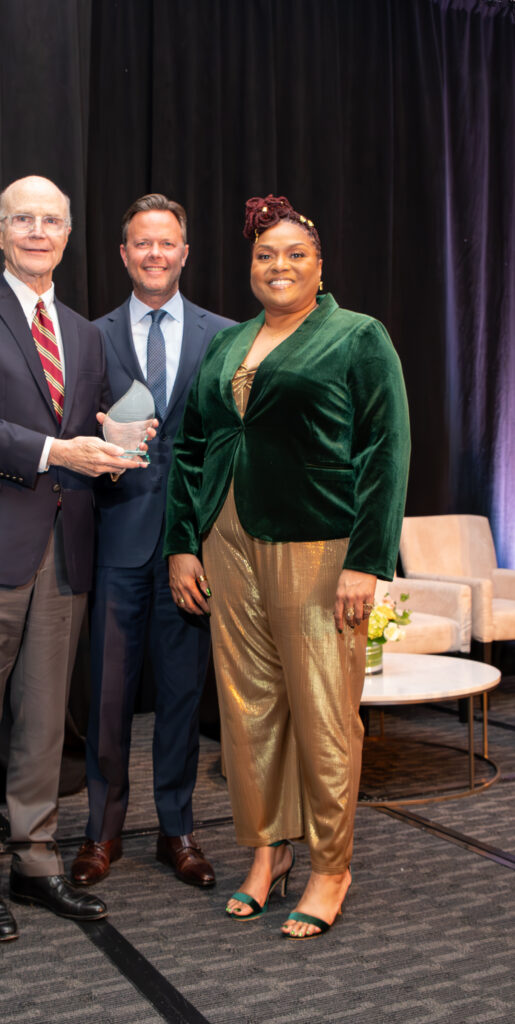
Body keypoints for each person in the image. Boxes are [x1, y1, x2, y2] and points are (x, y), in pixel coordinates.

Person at [164, 194, 410, 938]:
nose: (278, 266)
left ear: (319, 265)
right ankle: (267, 854)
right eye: (264, 255)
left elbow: (384, 451)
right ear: (249, 267)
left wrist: (366, 560)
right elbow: (191, 446)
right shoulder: (227, 341)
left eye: (293, 254)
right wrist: (183, 541)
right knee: (246, 710)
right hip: (226, 543)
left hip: (318, 547)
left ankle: (330, 866)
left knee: (324, 712)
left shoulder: (356, 336)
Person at [0, 175, 150, 942]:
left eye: (52, 220)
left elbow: (89, 425)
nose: (38, 232)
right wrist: (58, 450)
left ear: (69, 231)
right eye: (24, 219)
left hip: (63, 550)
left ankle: (36, 860)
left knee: (46, 721)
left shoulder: (83, 333)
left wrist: (117, 445)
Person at [70, 194, 234, 888]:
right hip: (114, 543)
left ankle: (178, 829)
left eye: (167, 243)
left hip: (190, 551)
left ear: (185, 252)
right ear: (123, 253)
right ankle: (100, 832)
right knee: (106, 699)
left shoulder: (224, 335)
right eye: (142, 243)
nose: (155, 254)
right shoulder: (88, 336)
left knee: (178, 696)